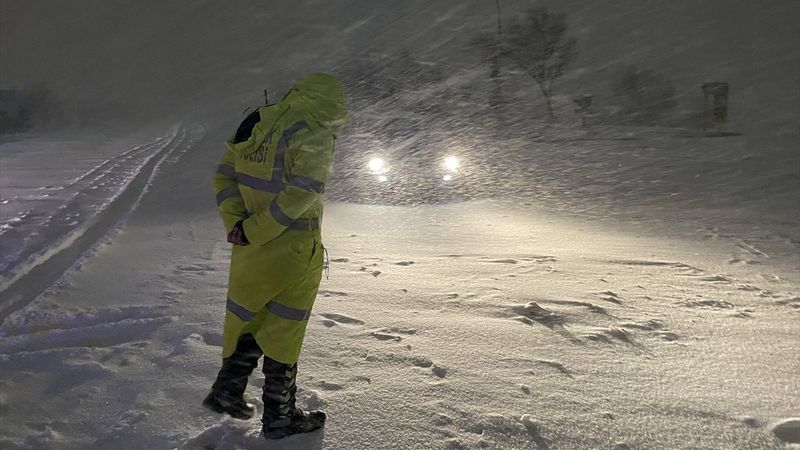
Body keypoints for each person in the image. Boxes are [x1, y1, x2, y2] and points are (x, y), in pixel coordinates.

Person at [204, 73, 347, 440]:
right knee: (284, 333)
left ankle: (229, 388)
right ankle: (280, 418)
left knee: (252, 322)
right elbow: (302, 195)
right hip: (292, 256)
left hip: (252, 255)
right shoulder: (314, 130)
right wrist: (256, 229)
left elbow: (224, 177)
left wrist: (238, 224)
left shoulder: (258, 120)